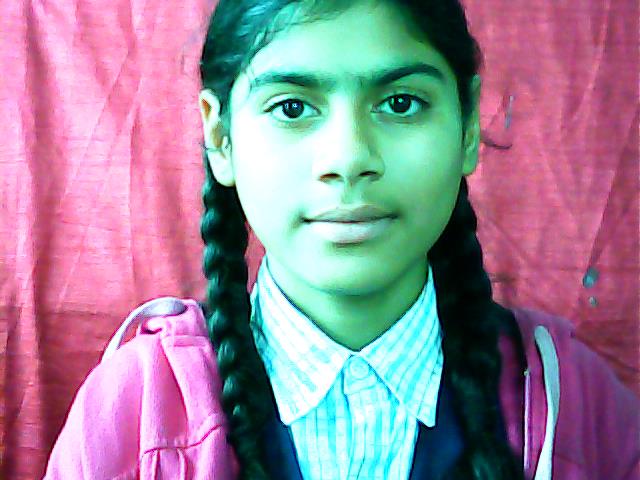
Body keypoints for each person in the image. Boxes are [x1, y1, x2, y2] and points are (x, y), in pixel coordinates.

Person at [44, 0, 639, 479]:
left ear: (467, 127)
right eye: (292, 107)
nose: (349, 158)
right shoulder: (133, 413)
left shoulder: (576, 406)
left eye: (401, 103)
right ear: (220, 137)